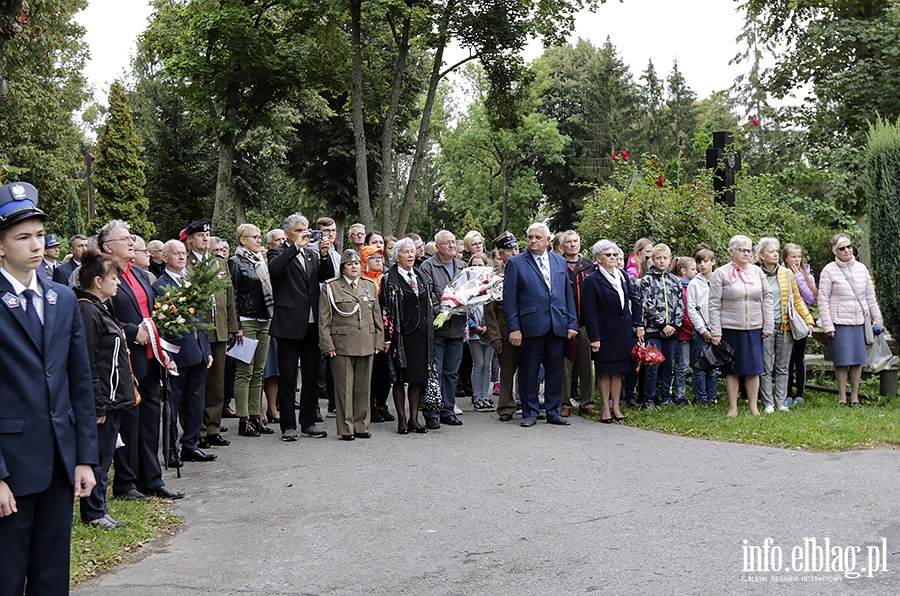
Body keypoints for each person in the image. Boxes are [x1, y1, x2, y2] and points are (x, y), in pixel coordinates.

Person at [0, 181, 98, 593]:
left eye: (40, 234)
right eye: (23, 237)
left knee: (52, 575)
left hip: (59, 462)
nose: (36, 245)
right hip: (12, 467)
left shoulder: (61, 297)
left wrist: (84, 458)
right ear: (1, 246)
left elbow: (79, 382)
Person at [101, 220, 183, 501]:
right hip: (126, 360)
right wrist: (134, 332)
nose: (130, 241)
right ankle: (125, 483)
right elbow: (101, 318)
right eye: (124, 238)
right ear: (107, 247)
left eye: (130, 237)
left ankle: (152, 479)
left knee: (150, 421)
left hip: (151, 358)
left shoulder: (138, 273)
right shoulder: (103, 276)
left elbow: (151, 315)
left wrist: (164, 351)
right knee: (129, 422)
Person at [76, 249, 138, 530]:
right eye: (114, 278)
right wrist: (97, 404)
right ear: (98, 281)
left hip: (113, 399)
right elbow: (87, 361)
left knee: (105, 455)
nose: (119, 283)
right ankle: (94, 513)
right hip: (103, 401)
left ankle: (99, 508)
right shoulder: (87, 310)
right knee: (99, 458)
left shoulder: (101, 308)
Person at [503, 222, 578, 427]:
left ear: (547, 240)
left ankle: (553, 411)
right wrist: (514, 328)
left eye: (538, 237)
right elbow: (510, 300)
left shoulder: (559, 262)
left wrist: (571, 323)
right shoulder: (516, 263)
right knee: (529, 371)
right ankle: (530, 412)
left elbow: (566, 295)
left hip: (557, 324)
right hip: (530, 325)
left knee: (555, 370)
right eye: (530, 237)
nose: (533, 241)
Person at [268, 212, 335, 441]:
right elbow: (276, 269)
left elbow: (327, 277)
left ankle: (308, 421)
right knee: (287, 377)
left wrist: (325, 255)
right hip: (288, 324)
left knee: (311, 376)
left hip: (312, 323)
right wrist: (294, 247)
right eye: (298, 230)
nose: (304, 234)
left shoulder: (311, 255)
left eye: (306, 230)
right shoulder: (278, 251)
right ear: (287, 233)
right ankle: (288, 425)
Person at [154, 240, 217, 467]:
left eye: (183, 253)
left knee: (196, 402)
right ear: (165, 257)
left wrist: (207, 349)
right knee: (172, 405)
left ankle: (191, 444)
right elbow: (160, 325)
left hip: (198, 351)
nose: (181, 257)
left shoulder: (192, 281)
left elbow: (201, 319)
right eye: (176, 254)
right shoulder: (160, 286)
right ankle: (171, 450)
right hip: (177, 356)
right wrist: (165, 354)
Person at [184, 219, 240, 448]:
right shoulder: (186, 264)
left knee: (217, 382)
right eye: (200, 236)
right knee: (199, 383)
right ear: (190, 240)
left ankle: (213, 428)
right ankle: (197, 430)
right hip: (199, 331)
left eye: (207, 235)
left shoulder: (219, 262)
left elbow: (228, 298)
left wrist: (234, 327)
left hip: (220, 329)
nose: (205, 239)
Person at [319, 250, 384, 440]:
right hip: (342, 344)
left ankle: (362, 425)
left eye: (357, 263)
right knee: (344, 388)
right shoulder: (331, 287)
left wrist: (379, 340)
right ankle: (346, 428)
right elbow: (324, 319)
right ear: (342, 268)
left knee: (364, 388)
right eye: (349, 264)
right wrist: (327, 344)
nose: (354, 267)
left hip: (366, 341)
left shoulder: (369, 285)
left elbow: (376, 316)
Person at [708, 235, 774, 417]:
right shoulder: (720, 273)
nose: (747, 253)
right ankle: (733, 407)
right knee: (732, 369)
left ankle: (754, 407)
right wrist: (716, 331)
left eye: (749, 250)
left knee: (754, 368)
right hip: (730, 328)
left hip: (754, 327)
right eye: (742, 250)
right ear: (731, 252)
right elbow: (713, 303)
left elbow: (768, 297)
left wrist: (768, 324)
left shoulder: (757, 272)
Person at [581, 240, 644, 422]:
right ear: (598, 258)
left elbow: (635, 300)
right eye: (608, 255)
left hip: (623, 331)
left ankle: (616, 406)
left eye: (615, 255)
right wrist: (595, 337)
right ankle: (605, 408)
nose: (613, 258)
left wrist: (638, 325)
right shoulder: (592, 280)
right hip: (604, 332)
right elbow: (590, 312)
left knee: (618, 371)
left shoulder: (622, 275)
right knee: (604, 371)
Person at [818, 233, 883, 407]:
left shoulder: (862, 268)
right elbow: (823, 300)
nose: (847, 250)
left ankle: (855, 397)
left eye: (849, 246)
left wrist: (877, 319)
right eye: (842, 248)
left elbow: (871, 297)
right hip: (839, 322)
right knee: (842, 361)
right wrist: (828, 325)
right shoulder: (829, 270)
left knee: (858, 360)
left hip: (859, 321)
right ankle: (842, 398)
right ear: (835, 251)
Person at [756, 237, 815, 414]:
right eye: (771, 251)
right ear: (762, 255)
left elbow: (796, 299)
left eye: (777, 251)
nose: (775, 254)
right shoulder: (755, 273)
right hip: (764, 327)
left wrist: (808, 319)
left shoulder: (787, 274)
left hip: (784, 326)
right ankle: (768, 403)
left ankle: (781, 402)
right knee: (766, 367)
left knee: (782, 366)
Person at [381, 238, 433, 434]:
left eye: (412, 251)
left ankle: (414, 419)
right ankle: (402, 419)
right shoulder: (389, 279)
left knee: (417, 378)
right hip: (400, 335)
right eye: (406, 252)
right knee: (399, 378)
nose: (411, 255)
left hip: (420, 334)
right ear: (396, 257)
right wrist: (387, 337)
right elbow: (384, 310)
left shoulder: (421, 276)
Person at [419, 230, 467, 429]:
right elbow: (427, 296)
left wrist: (463, 306)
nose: (452, 246)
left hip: (457, 328)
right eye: (447, 243)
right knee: (434, 372)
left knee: (451, 372)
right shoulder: (427, 266)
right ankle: (432, 411)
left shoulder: (463, 266)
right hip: (437, 329)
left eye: (454, 242)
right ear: (437, 246)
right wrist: (444, 311)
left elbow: (469, 291)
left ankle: (448, 409)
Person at [229, 223, 274, 437]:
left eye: (259, 236)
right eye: (254, 237)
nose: (259, 240)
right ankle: (243, 419)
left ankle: (256, 418)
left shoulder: (260, 261)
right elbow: (233, 295)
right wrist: (236, 324)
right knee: (244, 371)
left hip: (264, 319)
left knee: (259, 371)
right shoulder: (235, 262)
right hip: (245, 321)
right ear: (242, 240)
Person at [637, 244, 684, 407]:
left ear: (670, 259)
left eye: (665, 258)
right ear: (653, 260)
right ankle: (649, 398)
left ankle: (666, 396)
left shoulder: (675, 281)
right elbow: (646, 304)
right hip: (654, 330)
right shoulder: (646, 281)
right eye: (658, 258)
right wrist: (662, 324)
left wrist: (674, 325)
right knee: (652, 365)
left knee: (668, 365)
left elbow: (680, 304)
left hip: (672, 331)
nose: (662, 261)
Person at [484, 231, 521, 422]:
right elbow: (489, 310)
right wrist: (495, 336)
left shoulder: (526, 269)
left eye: (516, 248)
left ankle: (527, 403)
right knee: (507, 369)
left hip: (528, 327)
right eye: (509, 250)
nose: (514, 253)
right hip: (505, 328)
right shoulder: (495, 276)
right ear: (500, 254)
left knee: (529, 368)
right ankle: (506, 407)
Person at [560, 230, 596, 416]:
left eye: (576, 241)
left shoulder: (589, 266)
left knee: (586, 364)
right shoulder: (558, 264)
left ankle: (587, 402)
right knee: (565, 365)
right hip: (565, 324)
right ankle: (564, 402)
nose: (573, 244)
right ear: (562, 246)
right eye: (569, 242)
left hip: (585, 323)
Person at [361, 244, 395, 423]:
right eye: (373, 257)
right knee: (372, 372)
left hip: (387, 330)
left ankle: (382, 404)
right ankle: (370, 406)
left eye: (380, 257)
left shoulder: (387, 279)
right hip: (369, 331)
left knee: (386, 372)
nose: (378, 260)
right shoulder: (361, 280)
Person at [783, 243, 817, 406]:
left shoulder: (808, 276)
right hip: (785, 321)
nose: (796, 260)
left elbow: (811, 298)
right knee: (786, 359)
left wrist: (798, 278)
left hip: (801, 322)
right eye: (793, 257)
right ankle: (787, 393)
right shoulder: (780, 274)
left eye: (799, 257)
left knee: (799, 357)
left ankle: (800, 393)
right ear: (786, 258)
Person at [687, 248, 719, 405]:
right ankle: (701, 398)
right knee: (700, 366)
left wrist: (717, 329)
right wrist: (703, 330)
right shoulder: (694, 284)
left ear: (713, 262)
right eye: (699, 262)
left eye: (705, 261)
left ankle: (712, 397)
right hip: (701, 331)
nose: (702, 265)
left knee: (713, 366)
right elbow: (691, 309)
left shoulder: (719, 281)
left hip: (717, 330)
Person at [466, 252, 495, 412]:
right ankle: (477, 396)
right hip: (474, 331)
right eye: (474, 265)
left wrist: (490, 327)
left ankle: (485, 395)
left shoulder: (491, 284)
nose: (477, 268)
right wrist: (474, 326)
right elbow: (464, 310)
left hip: (490, 330)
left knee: (488, 364)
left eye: (480, 265)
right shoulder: (466, 286)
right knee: (478, 364)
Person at [672, 256, 697, 406]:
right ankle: (679, 394)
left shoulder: (694, 286)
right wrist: (690, 326)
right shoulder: (679, 287)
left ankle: (696, 393)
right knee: (682, 365)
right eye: (693, 269)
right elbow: (683, 311)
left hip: (694, 331)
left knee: (696, 365)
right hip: (683, 333)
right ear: (683, 271)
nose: (696, 271)